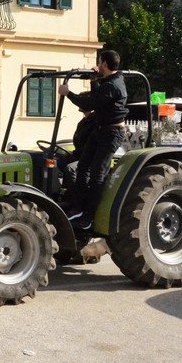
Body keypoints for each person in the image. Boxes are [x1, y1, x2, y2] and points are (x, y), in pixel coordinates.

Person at [58, 50, 128, 230]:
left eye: (100, 62)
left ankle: (89, 217)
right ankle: (78, 207)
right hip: (100, 130)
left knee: (98, 173)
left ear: (104, 63)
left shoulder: (113, 85)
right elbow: (98, 97)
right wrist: (93, 78)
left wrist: (68, 93)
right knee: (82, 167)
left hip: (112, 133)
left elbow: (90, 103)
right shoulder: (108, 82)